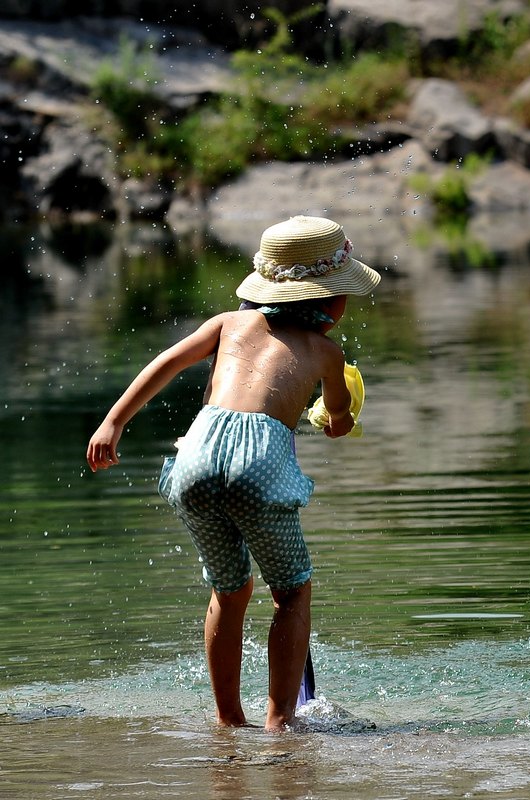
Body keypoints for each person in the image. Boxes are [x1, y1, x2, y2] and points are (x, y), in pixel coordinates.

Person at [86, 215, 381, 731]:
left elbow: (167, 363)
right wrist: (337, 414)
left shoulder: (226, 324)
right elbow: (337, 420)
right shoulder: (326, 352)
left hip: (195, 456)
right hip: (260, 463)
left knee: (229, 589)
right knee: (291, 592)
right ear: (333, 305)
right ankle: (280, 723)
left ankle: (228, 719)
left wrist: (113, 422)